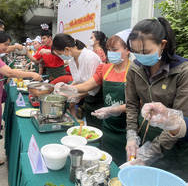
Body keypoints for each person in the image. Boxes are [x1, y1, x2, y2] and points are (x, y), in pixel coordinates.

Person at [125, 17, 188, 182]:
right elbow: (132, 105)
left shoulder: (184, 71)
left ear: (162, 44)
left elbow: (179, 120)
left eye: (145, 52)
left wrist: (149, 154)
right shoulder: (135, 68)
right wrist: (131, 136)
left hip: (177, 146)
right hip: (147, 137)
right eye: (136, 52)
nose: (140, 57)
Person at [54, 29, 131, 165]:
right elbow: (88, 85)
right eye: (109, 49)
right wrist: (68, 88)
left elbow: (137, 103)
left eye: (115, 49)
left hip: (126, 128)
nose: (110, 53)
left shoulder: (134, 71)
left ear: (128, 50)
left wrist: (113, 109)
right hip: (107, 126)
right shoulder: (105, 69)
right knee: (104, 158)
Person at [0, 31, 42, 173]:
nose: (7, 48)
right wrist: (32, 74)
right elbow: (10, 72)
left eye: (8, 45)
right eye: (5, 44)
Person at [51, 33, 102, 118]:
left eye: (60, 54)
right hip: (87, 97)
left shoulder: (90, 57)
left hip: (97, 98)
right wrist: (65, 88)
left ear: (67, 49)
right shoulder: (72, 61)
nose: (61, 57)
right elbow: (78, 80)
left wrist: (77, 95)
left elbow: (93, 86)